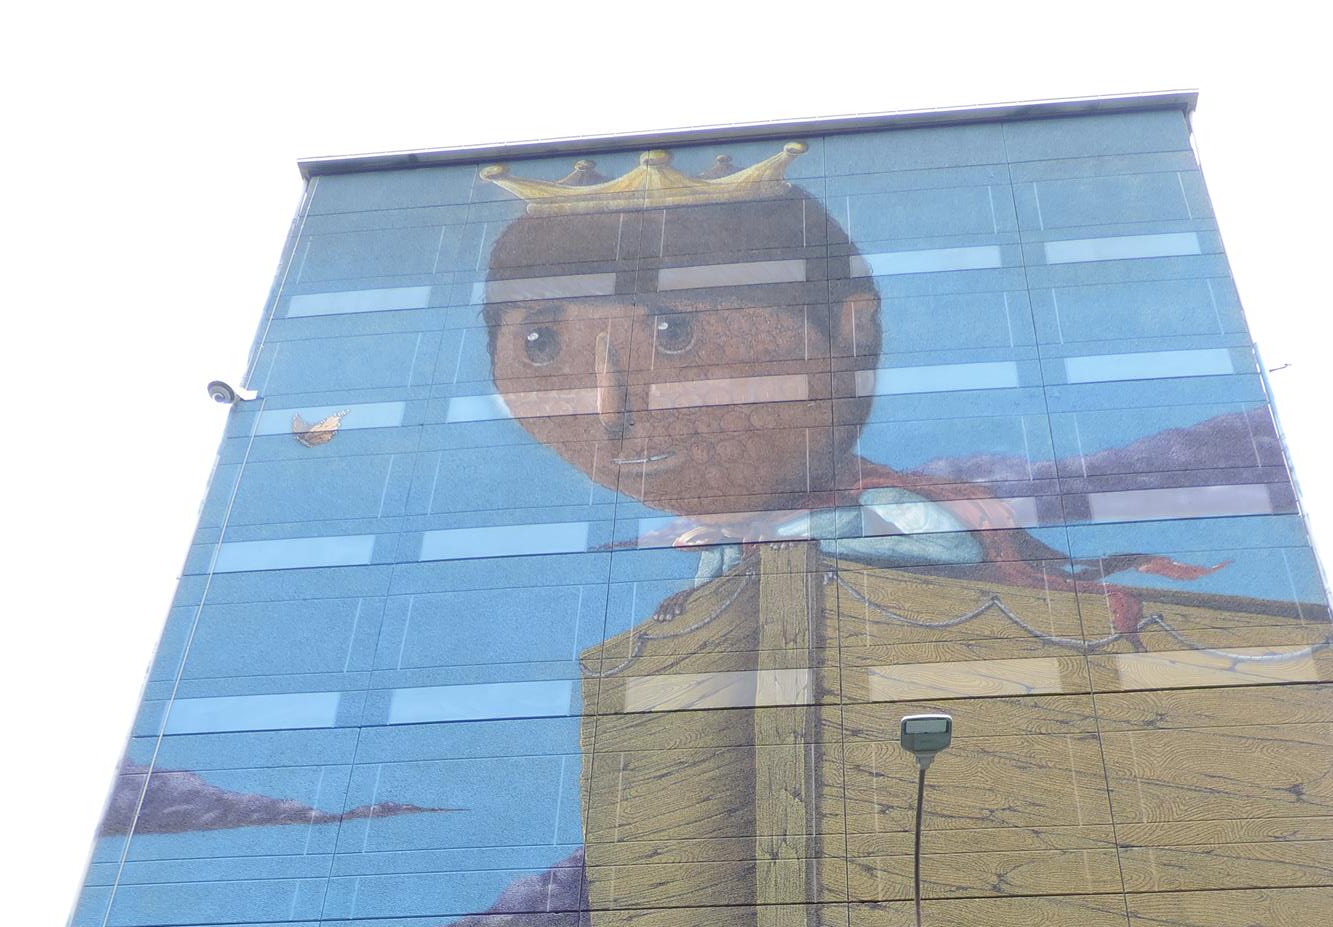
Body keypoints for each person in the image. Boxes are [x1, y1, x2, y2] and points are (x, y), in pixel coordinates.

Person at [480, 142, 1216, 633]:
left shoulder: (884, 503)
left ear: (851, 331)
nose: (610, 407)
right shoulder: (735, 537)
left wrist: (795, 542)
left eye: (674, 333)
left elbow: (947, 550)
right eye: (540, 345)